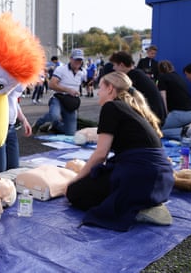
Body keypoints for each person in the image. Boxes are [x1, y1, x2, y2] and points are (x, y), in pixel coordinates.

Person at [66, 71, 174, 232]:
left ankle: (137, 208)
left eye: (101, 88)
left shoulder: (111, 107)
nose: (98, 93)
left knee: (75, 193)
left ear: (110, 89)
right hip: (161, 180)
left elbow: (101, 154)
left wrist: (75, 180)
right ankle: (145, 202)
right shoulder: (132, 108)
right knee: (96, 182)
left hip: (141, 176)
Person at [32, 49, 87, 136]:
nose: (78, 62)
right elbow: (51, 85)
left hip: (70, 102)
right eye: (76, 59)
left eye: (80, 60)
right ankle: (38, 123)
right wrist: (68, 90)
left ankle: (55, 125)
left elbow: (82, 84)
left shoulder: (83, 72)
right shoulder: (61, 69)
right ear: (71, 59)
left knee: (71, 134)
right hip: (58, 99)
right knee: (54, 116)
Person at [0, 85, 32, 172]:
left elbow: (13, 100)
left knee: (13, 166)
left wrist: (23, 119)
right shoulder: (4, 77)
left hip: (10, 126)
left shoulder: (18, 80)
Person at [109, 51, 166, 125]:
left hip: (153, 119)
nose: (113, 68)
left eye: (114, 65)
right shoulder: (137, 74)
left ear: (121, 65)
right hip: (157, 116)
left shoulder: (131, 78)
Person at [157, 60, 191, 140]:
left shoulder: (162, 78)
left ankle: (185, 131)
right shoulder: (178, 77)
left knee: (157, 130)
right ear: (172, 67)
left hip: (179, 114)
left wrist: (165, 112)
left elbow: (163, 97)